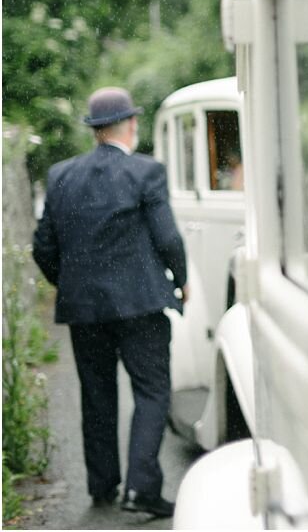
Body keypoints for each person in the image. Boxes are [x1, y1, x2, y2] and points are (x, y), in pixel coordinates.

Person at [32, 86, 187, 518]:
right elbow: (168, 238)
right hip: (140, 306)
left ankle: (102, 486)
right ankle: (141, 489)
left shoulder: (62, 175)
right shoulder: (146, 172)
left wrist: (71, 283)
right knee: (152, 392)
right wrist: (182, 280)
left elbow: (43, 247)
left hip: (86, 310)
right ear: (131, 125)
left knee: (97, 395)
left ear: (95, 130)